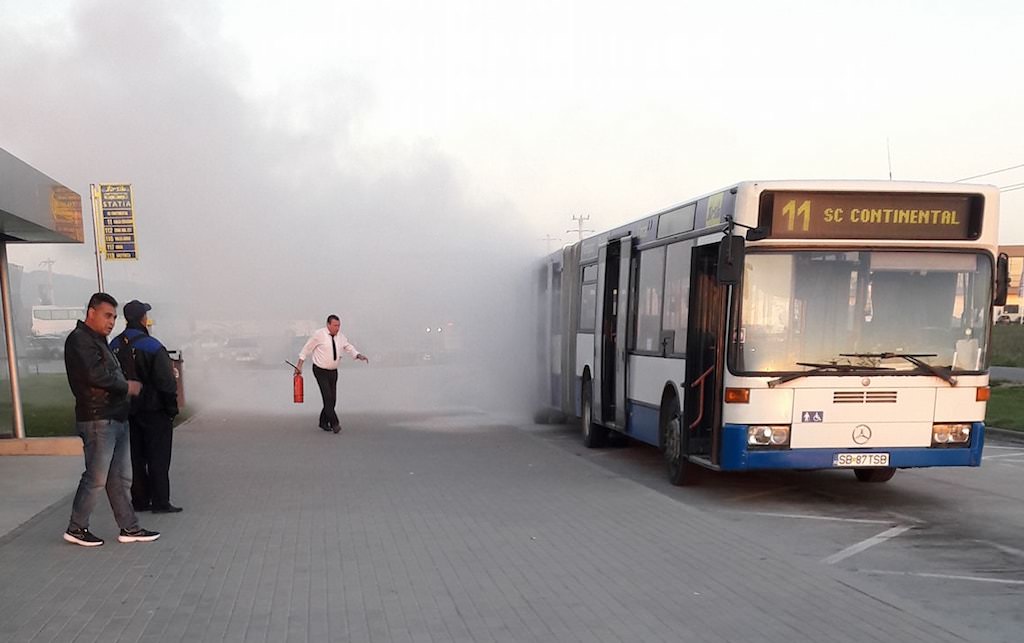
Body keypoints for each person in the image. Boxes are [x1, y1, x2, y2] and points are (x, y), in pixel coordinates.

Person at [63, 293, 160, 547]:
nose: (111, 322)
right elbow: (94, 375)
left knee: (120, 478)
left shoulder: (99, 341)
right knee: (96, 477)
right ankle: (76, 528)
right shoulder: (79, 340)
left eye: (114, 318)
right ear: (91, 313)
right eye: (107, 316)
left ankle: (130, 528)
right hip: (97, 418)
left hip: (115, 417)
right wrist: (125, 386)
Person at [111, 300, 182, 514]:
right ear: (143, 319)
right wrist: (171, 409)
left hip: (125, 411)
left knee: (136, 457)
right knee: (158, 457)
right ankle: (161, 502)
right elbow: (166, 382)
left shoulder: (113, 345)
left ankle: (140, 501)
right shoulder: (152, 346)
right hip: (154, 410)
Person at [294, 315, 368, 433]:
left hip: (333, 371)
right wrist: (299, 365)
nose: (337, 328)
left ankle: (323, 421)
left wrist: (357, 355)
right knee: (327, 397)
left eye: (339, 325)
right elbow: (306, 349)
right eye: (335, 325)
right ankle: (335, 423)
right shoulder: (319, 334)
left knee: (332, 400)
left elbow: (348, 347)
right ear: (328, 325)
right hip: (320, 370)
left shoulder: (340, 336)